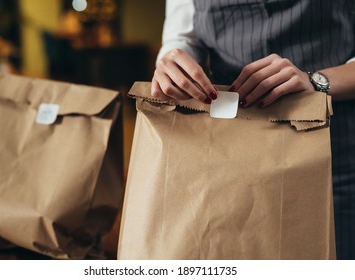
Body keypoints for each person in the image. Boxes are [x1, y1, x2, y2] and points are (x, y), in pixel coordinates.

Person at [151, 0, 355, 260]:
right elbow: (183, 38)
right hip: (227, 157)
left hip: (332, 155)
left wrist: (315, 81)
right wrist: (174, 64)